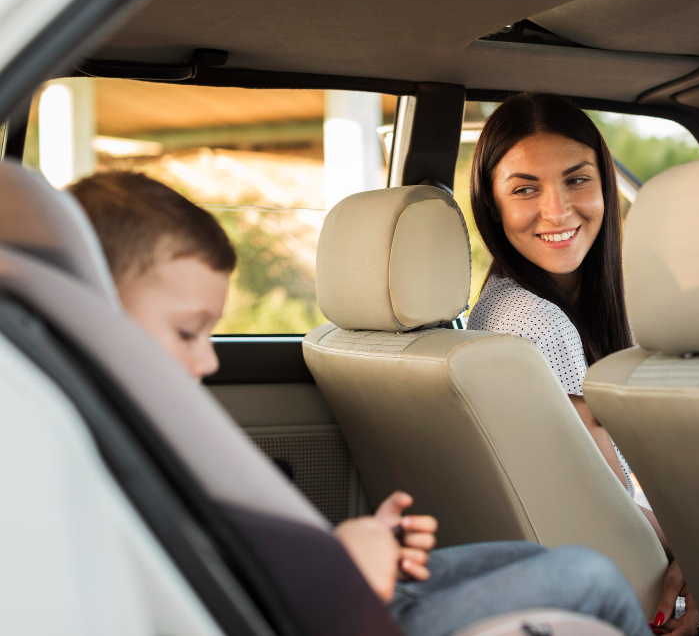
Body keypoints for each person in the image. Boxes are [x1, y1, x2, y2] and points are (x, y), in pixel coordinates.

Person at [68, 171, 653, 636]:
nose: (210, 360)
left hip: (321, 589)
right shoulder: (69, 446)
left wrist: (351, 550)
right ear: (92, 309)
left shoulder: (130, 427)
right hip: (324, 613)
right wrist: (348, 578)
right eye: (189, 332)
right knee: (589, 575)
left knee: (526, 563)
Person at [467, 92, 699, 636]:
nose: (558, 210)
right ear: (491, 203)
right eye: (526, 189)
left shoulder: (497, 304)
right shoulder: (537, 324)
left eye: (577, 180)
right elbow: (611, 507)